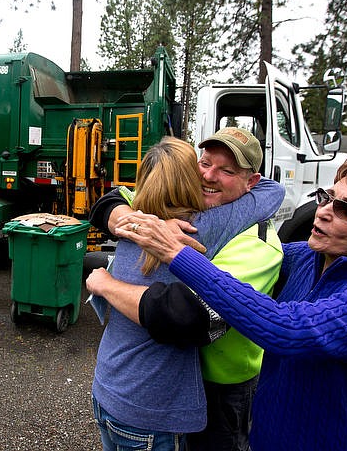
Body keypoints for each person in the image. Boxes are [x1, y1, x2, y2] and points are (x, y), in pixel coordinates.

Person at [87, 148, 347, 451]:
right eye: (327, 197)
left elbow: (286, 329)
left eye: (346, 210)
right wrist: (124, 216)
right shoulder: (307, 257)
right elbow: (120, 197)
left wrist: (174, 253)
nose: (323, 211)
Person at [90, 127, 284, 451]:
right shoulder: (168, 213)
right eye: (205, 163)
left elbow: (188, 316)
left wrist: (107, 284)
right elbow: (111, 201)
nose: (209, 176)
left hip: (220, 389)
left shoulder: (256, 241)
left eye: (227, 170)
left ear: (252, 183)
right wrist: (136, 221)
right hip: (169, 387)